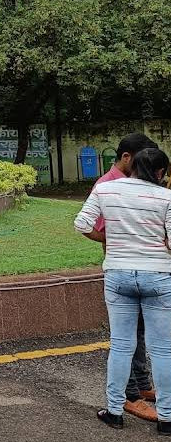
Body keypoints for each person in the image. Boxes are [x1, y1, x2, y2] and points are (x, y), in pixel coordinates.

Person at [75, 147, 171, 435]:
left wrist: (114, 239)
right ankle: (166, 418)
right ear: (159, 172)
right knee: (163, 348)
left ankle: (114, 411)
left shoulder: (107, 190)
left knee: (121, 345)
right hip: (158, 276)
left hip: (117, 273)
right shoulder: (166, 197)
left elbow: (81, 223)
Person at [91, 133, 160, 421]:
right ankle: (130, 395)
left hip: (141, 270)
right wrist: (124, 240)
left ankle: (143, 386)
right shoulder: (107, 186)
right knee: (126, 337)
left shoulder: (137, 184)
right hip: (125, 270)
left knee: (140, 332)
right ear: (127, 158)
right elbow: (89, 226)